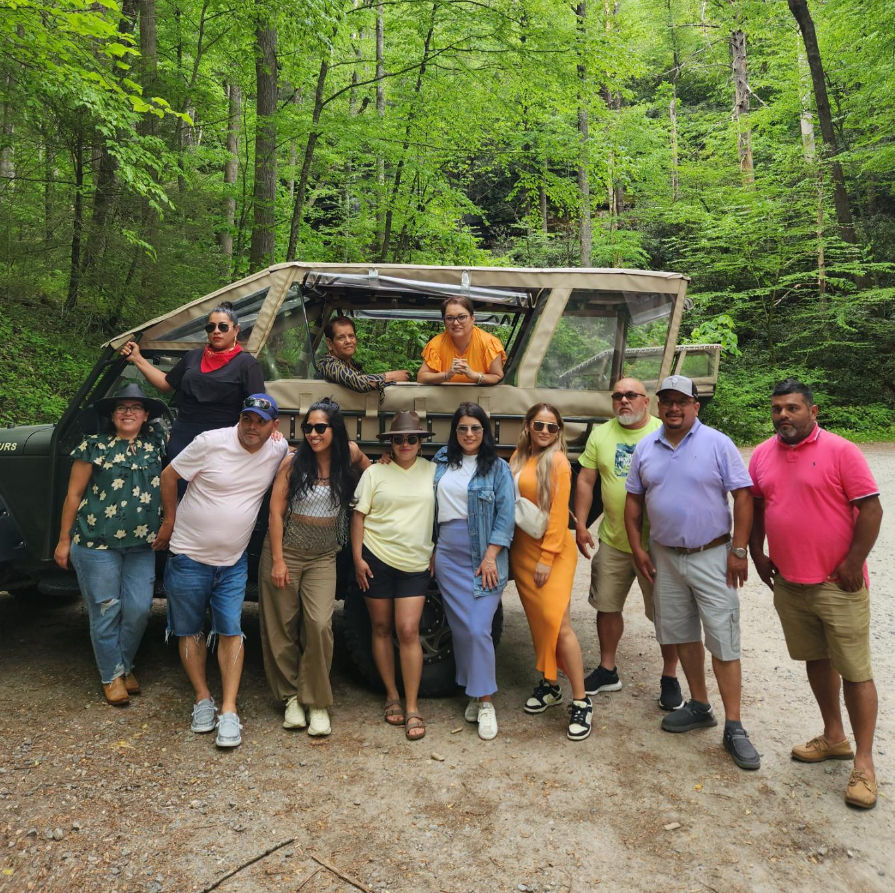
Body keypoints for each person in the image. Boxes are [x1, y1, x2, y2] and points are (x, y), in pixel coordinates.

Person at [748, 379, 883, 808]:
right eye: (776, 409)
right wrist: (756, 550)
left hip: (837, 584)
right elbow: (757, 506)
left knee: (855, 670)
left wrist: (851, 562)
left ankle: (864, 764)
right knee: (816, 659)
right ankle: (833, 736)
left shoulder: (842, 451)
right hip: (789, 582)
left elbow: (871, 508)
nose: (783, 416)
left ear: (813, 410)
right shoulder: (764, 455)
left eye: (792, 408)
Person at [624, 374, 760, 770]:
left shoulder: (718, 443)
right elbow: (633, 503)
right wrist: (637, 548)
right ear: (659, 405)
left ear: (695, 407)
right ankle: (700, 705)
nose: (673, 408)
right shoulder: (646, 447)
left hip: (713, 554)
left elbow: (743, 495)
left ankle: (734, 725)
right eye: (667, 401)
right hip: (665, 556)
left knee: (723, 639)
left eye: (681, 401)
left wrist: (738, 550)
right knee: (682, 635)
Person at [156, 394, 288, 748]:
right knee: (188, 629)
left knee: (230, 628)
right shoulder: (210, 442)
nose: (252, 427)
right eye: (247, 418)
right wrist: (169, 521)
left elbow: (302, 457)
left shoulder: (278, 448)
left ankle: (229, 710)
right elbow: (169, 477)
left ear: (274, 426)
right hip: (187, 555)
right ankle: (202, 699)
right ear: (239, 419)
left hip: (232, 561)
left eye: (261, 421)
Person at [259, 398, 371, 738]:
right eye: (308, 428)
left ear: (334, 430)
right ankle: (291, 697)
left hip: (324, 556)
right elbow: (275, 512)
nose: (312, 434)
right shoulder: (293, 463)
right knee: (282, 627)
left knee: (320, 624)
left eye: (320, 427)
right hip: (287, 552)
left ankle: (317, 700)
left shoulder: (348, 454)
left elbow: (371, 473)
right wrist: (278, 560)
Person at [53, 384, 167, 706]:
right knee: (105, 610)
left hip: (141, 545)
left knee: (139, 609)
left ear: (146, 416)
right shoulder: (94, 446)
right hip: (95, 543)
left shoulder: (156, 444)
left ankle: (124, 665)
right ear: (112, 414)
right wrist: (63, 541)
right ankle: (112, 676)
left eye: (135, 407)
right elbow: (73, 495)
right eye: (121, 407)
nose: (128, 412)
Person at [573, 378, 681, 709]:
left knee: (666, 614)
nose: (624, 401)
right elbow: (586, 480)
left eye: (631, 395)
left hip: (658, 544)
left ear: (646, 401)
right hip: (615, 540)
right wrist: (580, 523)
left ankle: (670, 677)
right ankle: (607, 669)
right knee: (606, 606)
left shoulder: (666, 431)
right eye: (618, 396)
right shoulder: (602, 434)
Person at [510, 404, 593, 741]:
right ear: (528, 425)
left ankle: (581, 699)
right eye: (539, 425)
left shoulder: (558, 462)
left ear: (559, 431)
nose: (544, 431)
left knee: (558, 625)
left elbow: (559, 516)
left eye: (552, 427)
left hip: (551, 554)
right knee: (539, 622)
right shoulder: (519, 456)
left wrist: (547, 557)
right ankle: (549, 685)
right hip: (523, 551)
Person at [351, 411, 436, 741]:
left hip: (415, 562)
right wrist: (357, 558)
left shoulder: (434, 471)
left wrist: (437, 552)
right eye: (398, 439)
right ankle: (391, 695)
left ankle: (413, 704)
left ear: (421, 442)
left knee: (408, 629)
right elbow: (358, 516)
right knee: (382, 628)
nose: (404, 444)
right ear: (390, 442)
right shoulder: (375, 472)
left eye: (411, 438)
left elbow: (448, 511)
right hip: (376, 558)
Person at [432, 403, 515, 740]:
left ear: (485, 432)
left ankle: (485, 702)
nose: (469, 434)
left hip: (485, 556)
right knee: (462, 628)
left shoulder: (497, 468)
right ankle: (472, 691)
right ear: (455, 431)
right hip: (448, 555)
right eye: (463, 428)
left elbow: (505, 516)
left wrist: (492, 555)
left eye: (476, 429)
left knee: (479, 627)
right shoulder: (440, 462)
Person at [121, 302, 265, 461]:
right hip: (184, 434)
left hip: (223, 439)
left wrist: (269, 432)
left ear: (236, 330)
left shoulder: (247, 364)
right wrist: (137, 358)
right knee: (176, 482)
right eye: (211, 327)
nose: (216, 331)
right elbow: (165, 383)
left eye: (223, 327)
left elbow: (259, 406)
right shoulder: (193, 356)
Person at [417, 297, 506, 385]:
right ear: (444, 321)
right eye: (449, 318)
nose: (455, 323)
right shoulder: (436, 344)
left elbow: (497, 376)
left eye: (462, 317)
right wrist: (446, 375)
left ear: (472, 318)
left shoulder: (489, 343)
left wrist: (473, 375)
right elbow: (421, 377)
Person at [317, 316, 410, 392]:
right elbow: (359, 382)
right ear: (330, 343)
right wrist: (390, 376)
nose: (348, 341)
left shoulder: (353, 364)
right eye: (341, 337)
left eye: (351, 336)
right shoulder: (328, 364)